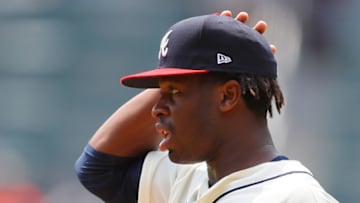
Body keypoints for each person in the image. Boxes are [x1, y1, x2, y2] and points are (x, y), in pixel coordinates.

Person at [75, 10, 338, 203]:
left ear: (227, 96)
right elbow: (97, 169)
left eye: (174, 92)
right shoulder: (187, 178)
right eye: (160, 91)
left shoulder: (296, 196)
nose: (157, 108)